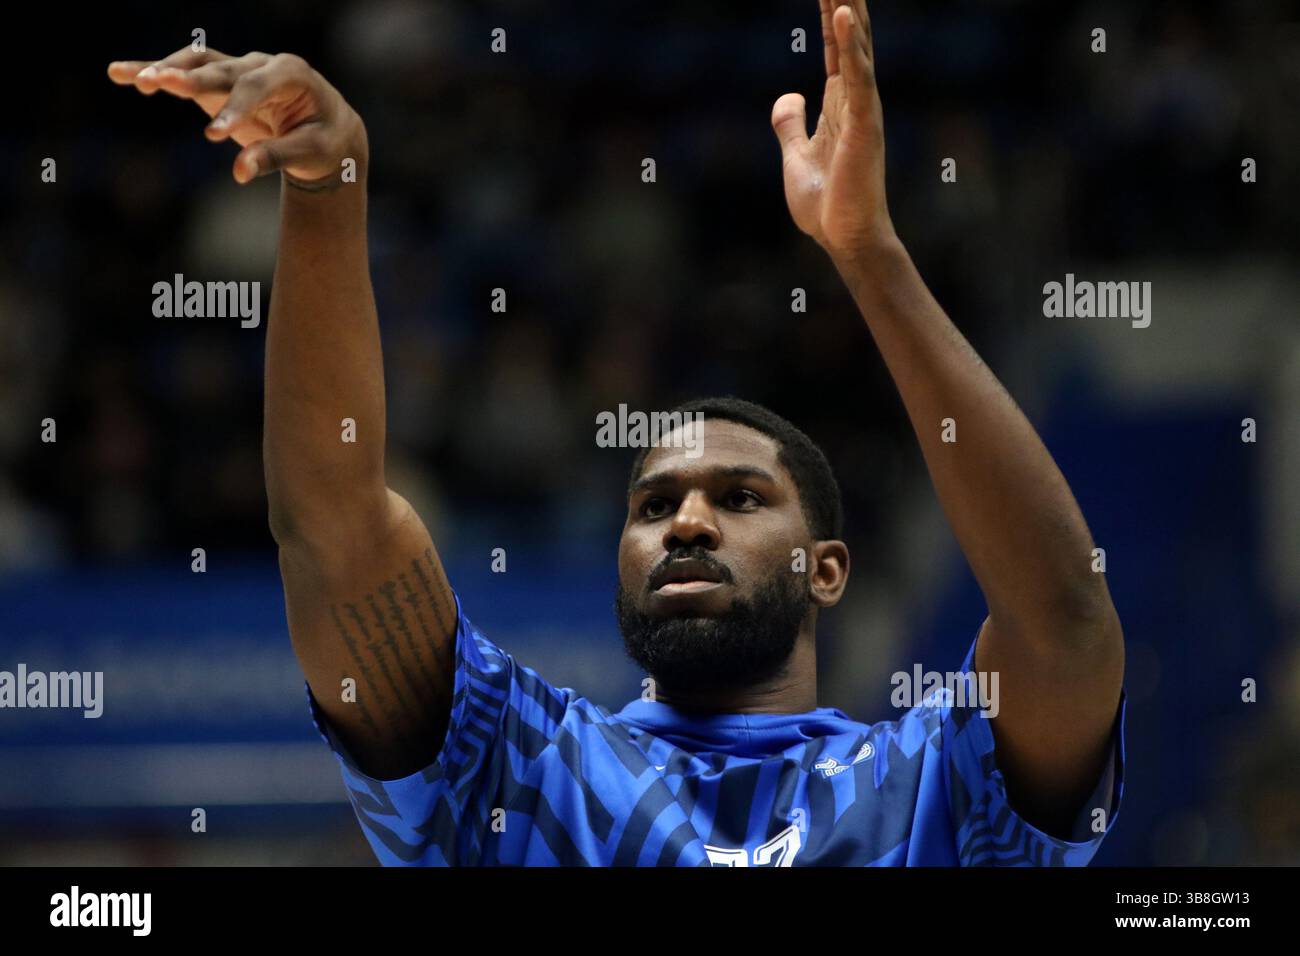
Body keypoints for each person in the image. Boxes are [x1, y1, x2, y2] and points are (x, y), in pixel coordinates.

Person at [108, 0, 1125, 866]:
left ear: (827, 569)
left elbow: (1066, 616)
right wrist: (328, 192)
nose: (684, 519)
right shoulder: (516, 762)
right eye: (652, 504)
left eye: (738, 495)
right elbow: (332, 525)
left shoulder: (933, 786)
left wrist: (868, 253)